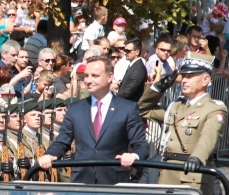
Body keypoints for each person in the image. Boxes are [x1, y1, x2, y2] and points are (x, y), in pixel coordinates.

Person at [138, 52, 225, 195]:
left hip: (193, 180)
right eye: (183, 75)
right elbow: (143, 109)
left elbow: (209, 136)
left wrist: (197, 157)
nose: (184, 80)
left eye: (192, 75)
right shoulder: (175, 106)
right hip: (165, 180)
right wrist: (157, 88)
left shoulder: (214, 108)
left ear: (206, 79)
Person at [40, 55, 148, 184]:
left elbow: (141, 145)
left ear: (109, 77)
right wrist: (49, 155)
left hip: (114, 185)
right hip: (82, 186)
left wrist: (133, 156)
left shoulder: (127, 108)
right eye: (86, 76)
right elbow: (62, 142)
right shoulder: (75, 109)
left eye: (95, 76)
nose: (88, 80)